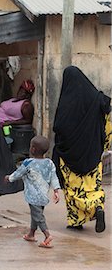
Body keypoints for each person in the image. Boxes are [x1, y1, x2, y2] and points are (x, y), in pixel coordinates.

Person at [52, 66, 111, 233]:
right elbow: (108, 115)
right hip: (92, 152)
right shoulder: (96, 97)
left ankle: (76, 220)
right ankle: (97, 208)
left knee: (73, 187)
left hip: (70, 154)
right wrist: (105, 144)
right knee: (92, 185)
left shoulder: (66, 102)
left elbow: (59, 126)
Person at [5, 136, 61, 248]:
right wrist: (56, 190)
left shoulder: (28, 163)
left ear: (33, 149)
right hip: (43, 195)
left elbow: (18, 173)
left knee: (38, 217)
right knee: (36, 214)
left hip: (33, 196)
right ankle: (31, 234)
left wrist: (9, 178)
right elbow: (54, 177)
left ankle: (47, 235)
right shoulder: (49, 163)